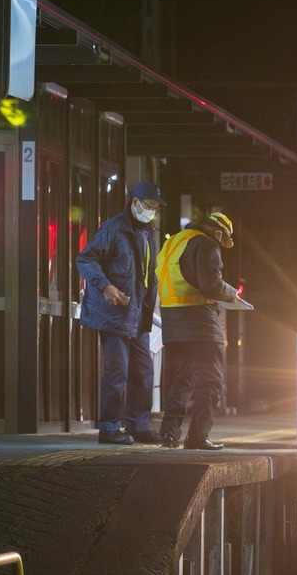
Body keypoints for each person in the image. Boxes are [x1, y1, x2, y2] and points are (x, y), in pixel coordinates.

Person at [76, 181, 166, 445]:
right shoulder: (114, 228)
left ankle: (138, 427)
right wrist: (106, 287)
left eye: (155, 208)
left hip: (137, 315)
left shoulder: (146, 233)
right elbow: (85, 258)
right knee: (117, 371)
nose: (152, 211)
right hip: (114, 315)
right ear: (134, 202)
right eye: (149, 206)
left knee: (143, 371)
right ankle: (109, 428)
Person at [157, 211, 240, 451]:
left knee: (180, 380)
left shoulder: (173, 241)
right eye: (223, 240)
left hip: (172, 323)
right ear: (218, 232)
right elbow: (211, 285)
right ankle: (197, 437)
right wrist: (231, 293)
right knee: (211, 380)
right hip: (200, 323)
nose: (221, 246)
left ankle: (169, 435)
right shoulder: (206, 243)